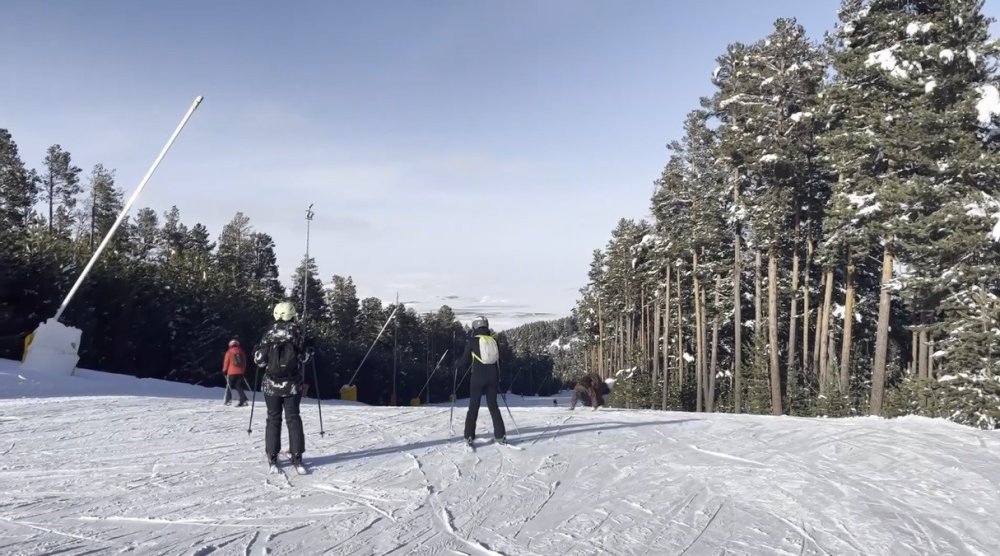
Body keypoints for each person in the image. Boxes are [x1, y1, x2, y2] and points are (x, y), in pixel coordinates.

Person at [253, 301, 313, 468]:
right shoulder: (297, 333)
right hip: (292, 384)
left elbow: (259, 360)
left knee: (273, 418)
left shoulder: (268, 334)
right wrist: (309, 347)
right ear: (292, 315)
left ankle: (272, 455)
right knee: (293, 418)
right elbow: (304, 358)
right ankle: (297, 454)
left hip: (271, 385)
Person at [458, 315, 506, 446]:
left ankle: (469, 435)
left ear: (475, 327)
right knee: (493, 406)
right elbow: (499, 361)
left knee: (474, 406)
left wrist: (456, 366)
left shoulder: (472, 341)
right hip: (493, 377)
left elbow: (463, 362)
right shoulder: (494, 341)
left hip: (478, 378)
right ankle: (500, 435)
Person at [222, 338, 248, 406]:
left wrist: (224, 370)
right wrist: (243, 370)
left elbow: (226, 362)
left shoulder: (229, 352)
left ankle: (228, 400)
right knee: (239, 386)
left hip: (231, 372)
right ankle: (244, 400)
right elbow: (244, 362)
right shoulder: (241, 352)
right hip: (240, 372)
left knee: (229, 386)